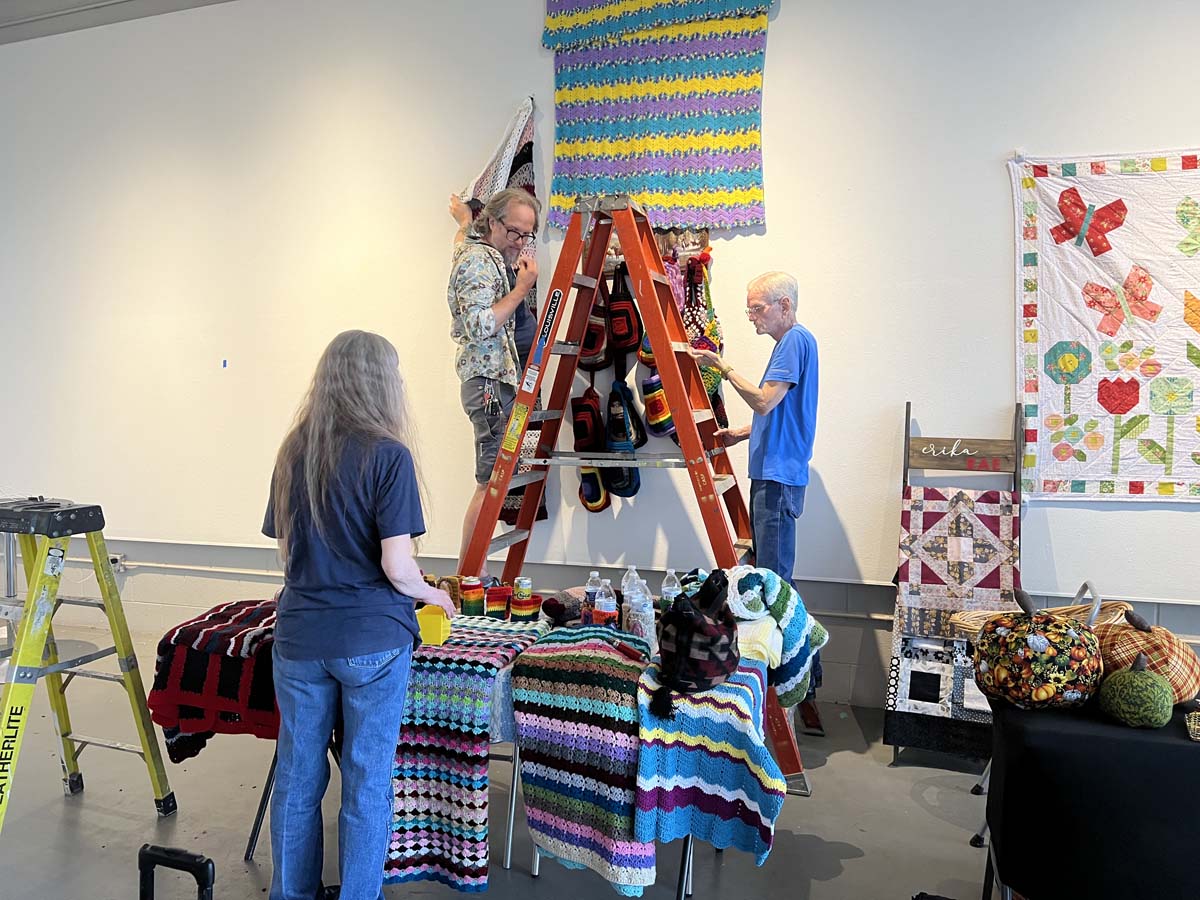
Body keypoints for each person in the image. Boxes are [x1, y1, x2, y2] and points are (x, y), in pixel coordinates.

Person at [263, 330, 456, 900]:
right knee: (368, 779)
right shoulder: (389, 455)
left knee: (298, 780)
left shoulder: (294, 450)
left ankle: (290, 895)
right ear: (381, 383)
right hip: (372, 640)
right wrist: (434, 596)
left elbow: (287, 549)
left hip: (299, 638)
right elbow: (397, 567)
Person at [689, 271, 825, 730]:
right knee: (771, 579)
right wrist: (740, 434)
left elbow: (766, 402)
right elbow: (779, 412)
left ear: (784, 305)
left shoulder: (793, 342)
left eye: (757, 307)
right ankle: (798, 689)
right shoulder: (793, 344)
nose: (750, 315)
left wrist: (720, 367)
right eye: (749, 307)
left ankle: (791, 693)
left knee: (774, 585)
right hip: (773, 473)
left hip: (778, 478)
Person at [446, 187, 540, 575]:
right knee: (490, 481)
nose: (519, 242)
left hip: (496, 380)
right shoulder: (478, 263)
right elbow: (479, 324)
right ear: (494, 222)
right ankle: (468, 574)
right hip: (487, 383)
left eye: (527, 234)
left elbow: (461, 242)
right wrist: (520, 291)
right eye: (514, 232)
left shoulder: (479, 250)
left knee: (493, 479)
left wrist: (463, 221)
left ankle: (472, 570)